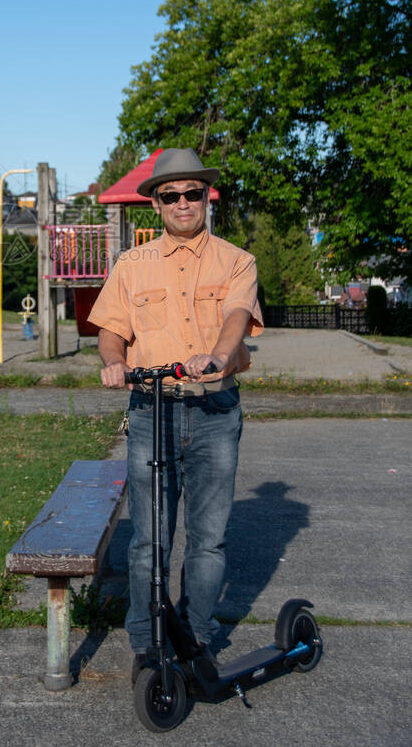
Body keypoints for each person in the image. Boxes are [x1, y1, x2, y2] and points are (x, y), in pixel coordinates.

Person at [87, 148, 263, 686]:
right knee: (149, 539)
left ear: (206, 196)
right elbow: (110, 329)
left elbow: (236, 317)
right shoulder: (132, 266)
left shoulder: (236, 260)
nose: (183, 202)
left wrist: (216, 354)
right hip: (152, 412)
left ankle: (197, 636)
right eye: (171, 195)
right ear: (157, 204)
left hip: (214, 411)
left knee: (208, 538)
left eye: (193, 192)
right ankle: (146, 643)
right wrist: (115, 361)